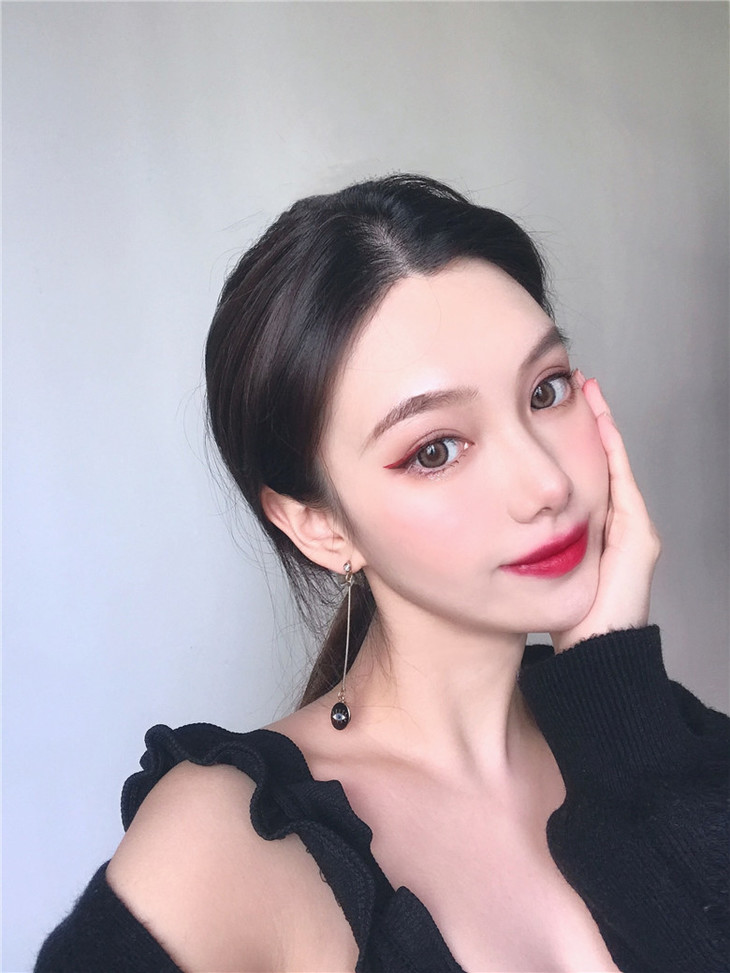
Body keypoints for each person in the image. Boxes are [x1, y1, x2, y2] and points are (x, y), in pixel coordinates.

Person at [35, 174, 729, 973]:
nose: (546, 482)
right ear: (319, 524)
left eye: (547, 390)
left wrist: (615, 694)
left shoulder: (660, 739)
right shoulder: (229, 846)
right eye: (435, 449)